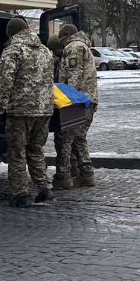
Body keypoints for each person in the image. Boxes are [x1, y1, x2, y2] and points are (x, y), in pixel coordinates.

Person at [0, 17, 54, 207]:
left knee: (17, 152)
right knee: (36, 150)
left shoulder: (13, 50)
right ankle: (45, 187)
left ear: (10, 33)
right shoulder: (44, 50)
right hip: (44, 109)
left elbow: (5, 81)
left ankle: (21, 194)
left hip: (20, 110)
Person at [52, 24, 98, 189]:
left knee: (65, 139)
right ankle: (86, 174)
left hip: (76, 102)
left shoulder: (74, 48)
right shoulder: (83, 46)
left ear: (65, 36)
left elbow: (73, 77)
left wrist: (67, 103)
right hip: (87, 100)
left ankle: (63, 177)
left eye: (60, 38)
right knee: (78, 139)